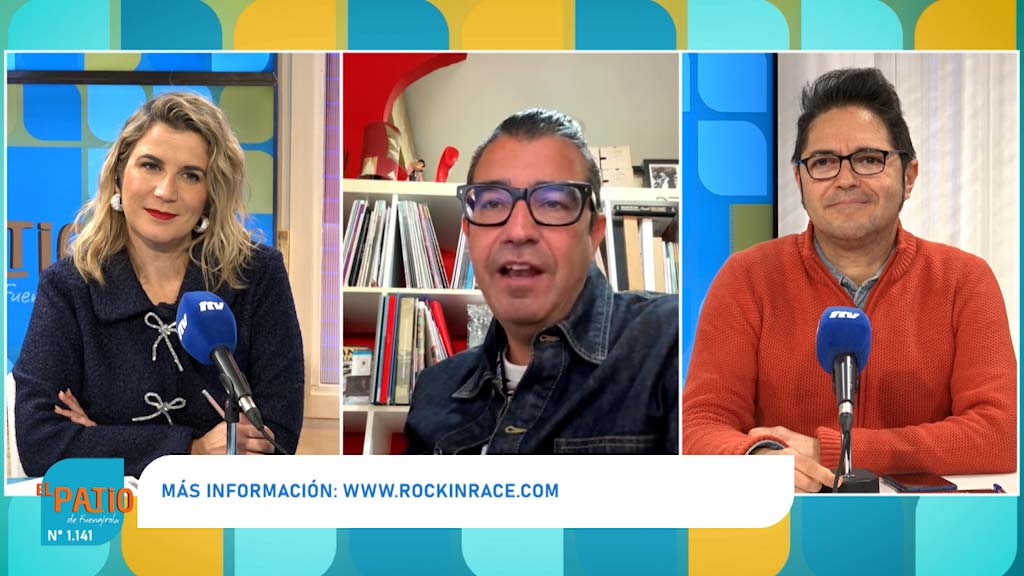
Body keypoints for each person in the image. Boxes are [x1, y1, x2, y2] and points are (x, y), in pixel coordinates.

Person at [682, 68, 1017, 492]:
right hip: (791, 517)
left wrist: (833, 451)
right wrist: (757, 458)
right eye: (823, 162)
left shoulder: (964, 280)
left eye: (869, 159)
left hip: (921, 522)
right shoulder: (746, 278)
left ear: (909, 176)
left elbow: (998, 435)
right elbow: (700, 425)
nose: (845, 179)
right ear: (799, 180)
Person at [14, 92, 305, 477]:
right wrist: (190, 450)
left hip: (221, 510)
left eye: (191, 175)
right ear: (119, 176)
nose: (166, 191)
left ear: (210, 194)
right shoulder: (69, 287)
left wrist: (100, 440)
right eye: (150, 165)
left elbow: (275, 437)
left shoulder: (258, 276)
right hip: (109, 513)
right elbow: (40, 442)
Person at [404, 109, 678, 454]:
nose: (519, 232)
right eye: (493, 202)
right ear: (469, 233)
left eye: (552, 203)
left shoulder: (674, 341)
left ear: (593, 233)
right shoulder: (434, 389)